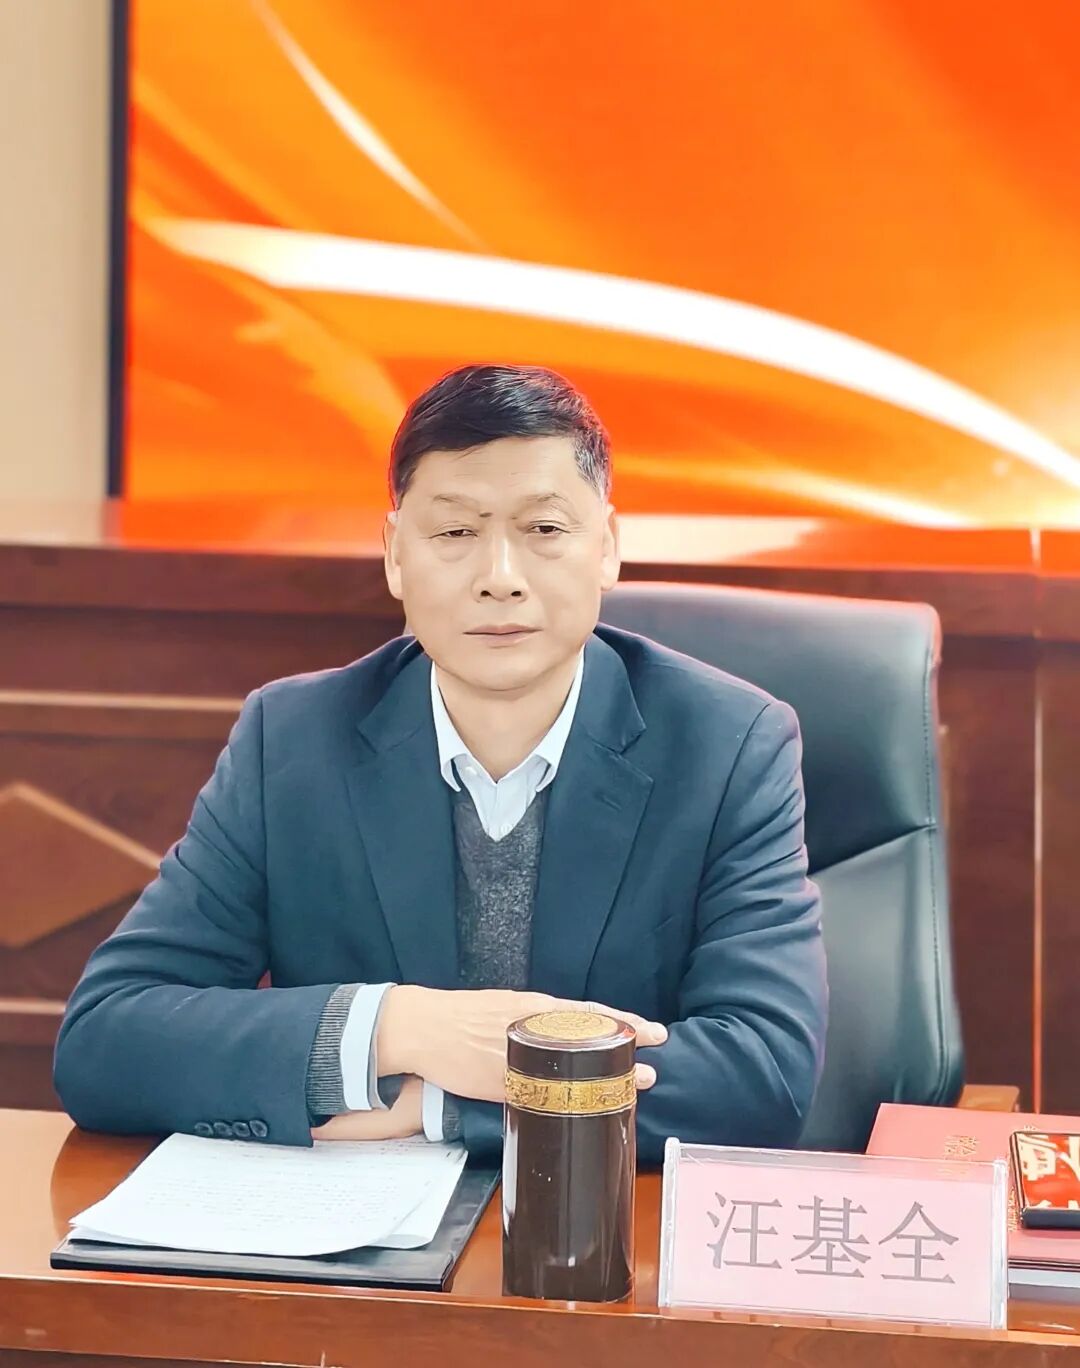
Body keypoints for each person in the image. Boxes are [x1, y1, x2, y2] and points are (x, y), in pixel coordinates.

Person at [53, 364, 827, 1162]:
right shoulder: (291, 741)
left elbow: (762, 1077)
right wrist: (397, 1026)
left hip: (600, 1221)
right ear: (395, 555)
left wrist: (439, 1108)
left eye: (544, 530)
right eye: (456, 534)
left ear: (607, 548)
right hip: (354, 1231)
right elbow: (108, 1041)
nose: (500, 580)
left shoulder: (728, 745)